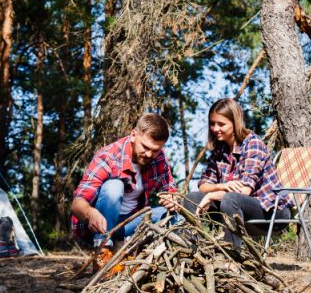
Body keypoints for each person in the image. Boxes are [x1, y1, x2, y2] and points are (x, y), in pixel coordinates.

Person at [183, 98, 292, 247]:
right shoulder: (219, 150)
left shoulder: (253, 144)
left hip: (272, 212)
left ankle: (233, 257)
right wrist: (223, 186)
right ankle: (192, 252)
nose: (215, 129)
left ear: (235, 123)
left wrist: (211, 195)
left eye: (221, 124)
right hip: (236, 209)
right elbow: (203, 185)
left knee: (231, 198)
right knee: (192, 198)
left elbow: (244, 191)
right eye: (212, 123)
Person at [71, 113, 180, 253]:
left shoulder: (159, 158)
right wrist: (89, 213)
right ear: (133, 135)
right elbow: (77, 203)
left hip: (130, 223)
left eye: (155, 150)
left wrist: (172, 198)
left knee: (175, 216)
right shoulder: (108, 157)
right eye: (145, 147)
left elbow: (170, 189)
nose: (148, 155)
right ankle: (103, 250)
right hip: (99, 226)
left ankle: (171, 255)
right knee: (114, 187)